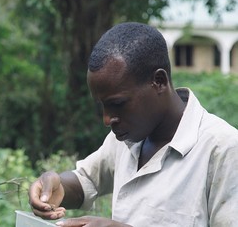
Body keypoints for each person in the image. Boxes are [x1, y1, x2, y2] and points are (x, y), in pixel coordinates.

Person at [28, 22, 238, 226]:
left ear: (159, 81)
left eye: (117, 104)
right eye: (102, 106)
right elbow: (87, 180)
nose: (107, 119)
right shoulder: (128, 137)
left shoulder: (223, 149)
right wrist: (57, 187)